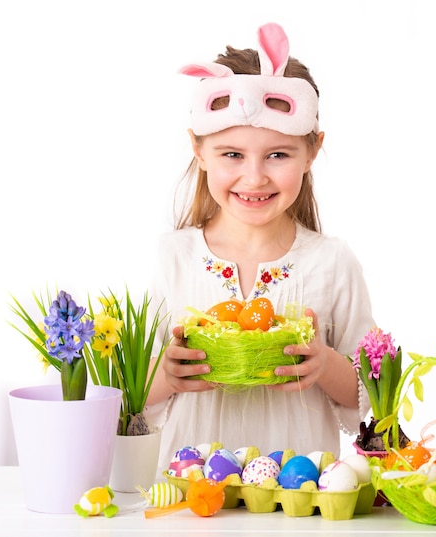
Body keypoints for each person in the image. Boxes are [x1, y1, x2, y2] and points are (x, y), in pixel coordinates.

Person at [145, 22, 375, 472]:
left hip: (299, 498)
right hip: (191, 500)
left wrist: (323, 364)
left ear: (311, 152)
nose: (254, 178)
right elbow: (129, 395)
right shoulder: (174, 258)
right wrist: (167, 376)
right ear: (199, 149)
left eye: (278, 154)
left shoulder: (332, 262)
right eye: (232, 154)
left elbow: (367, 394)